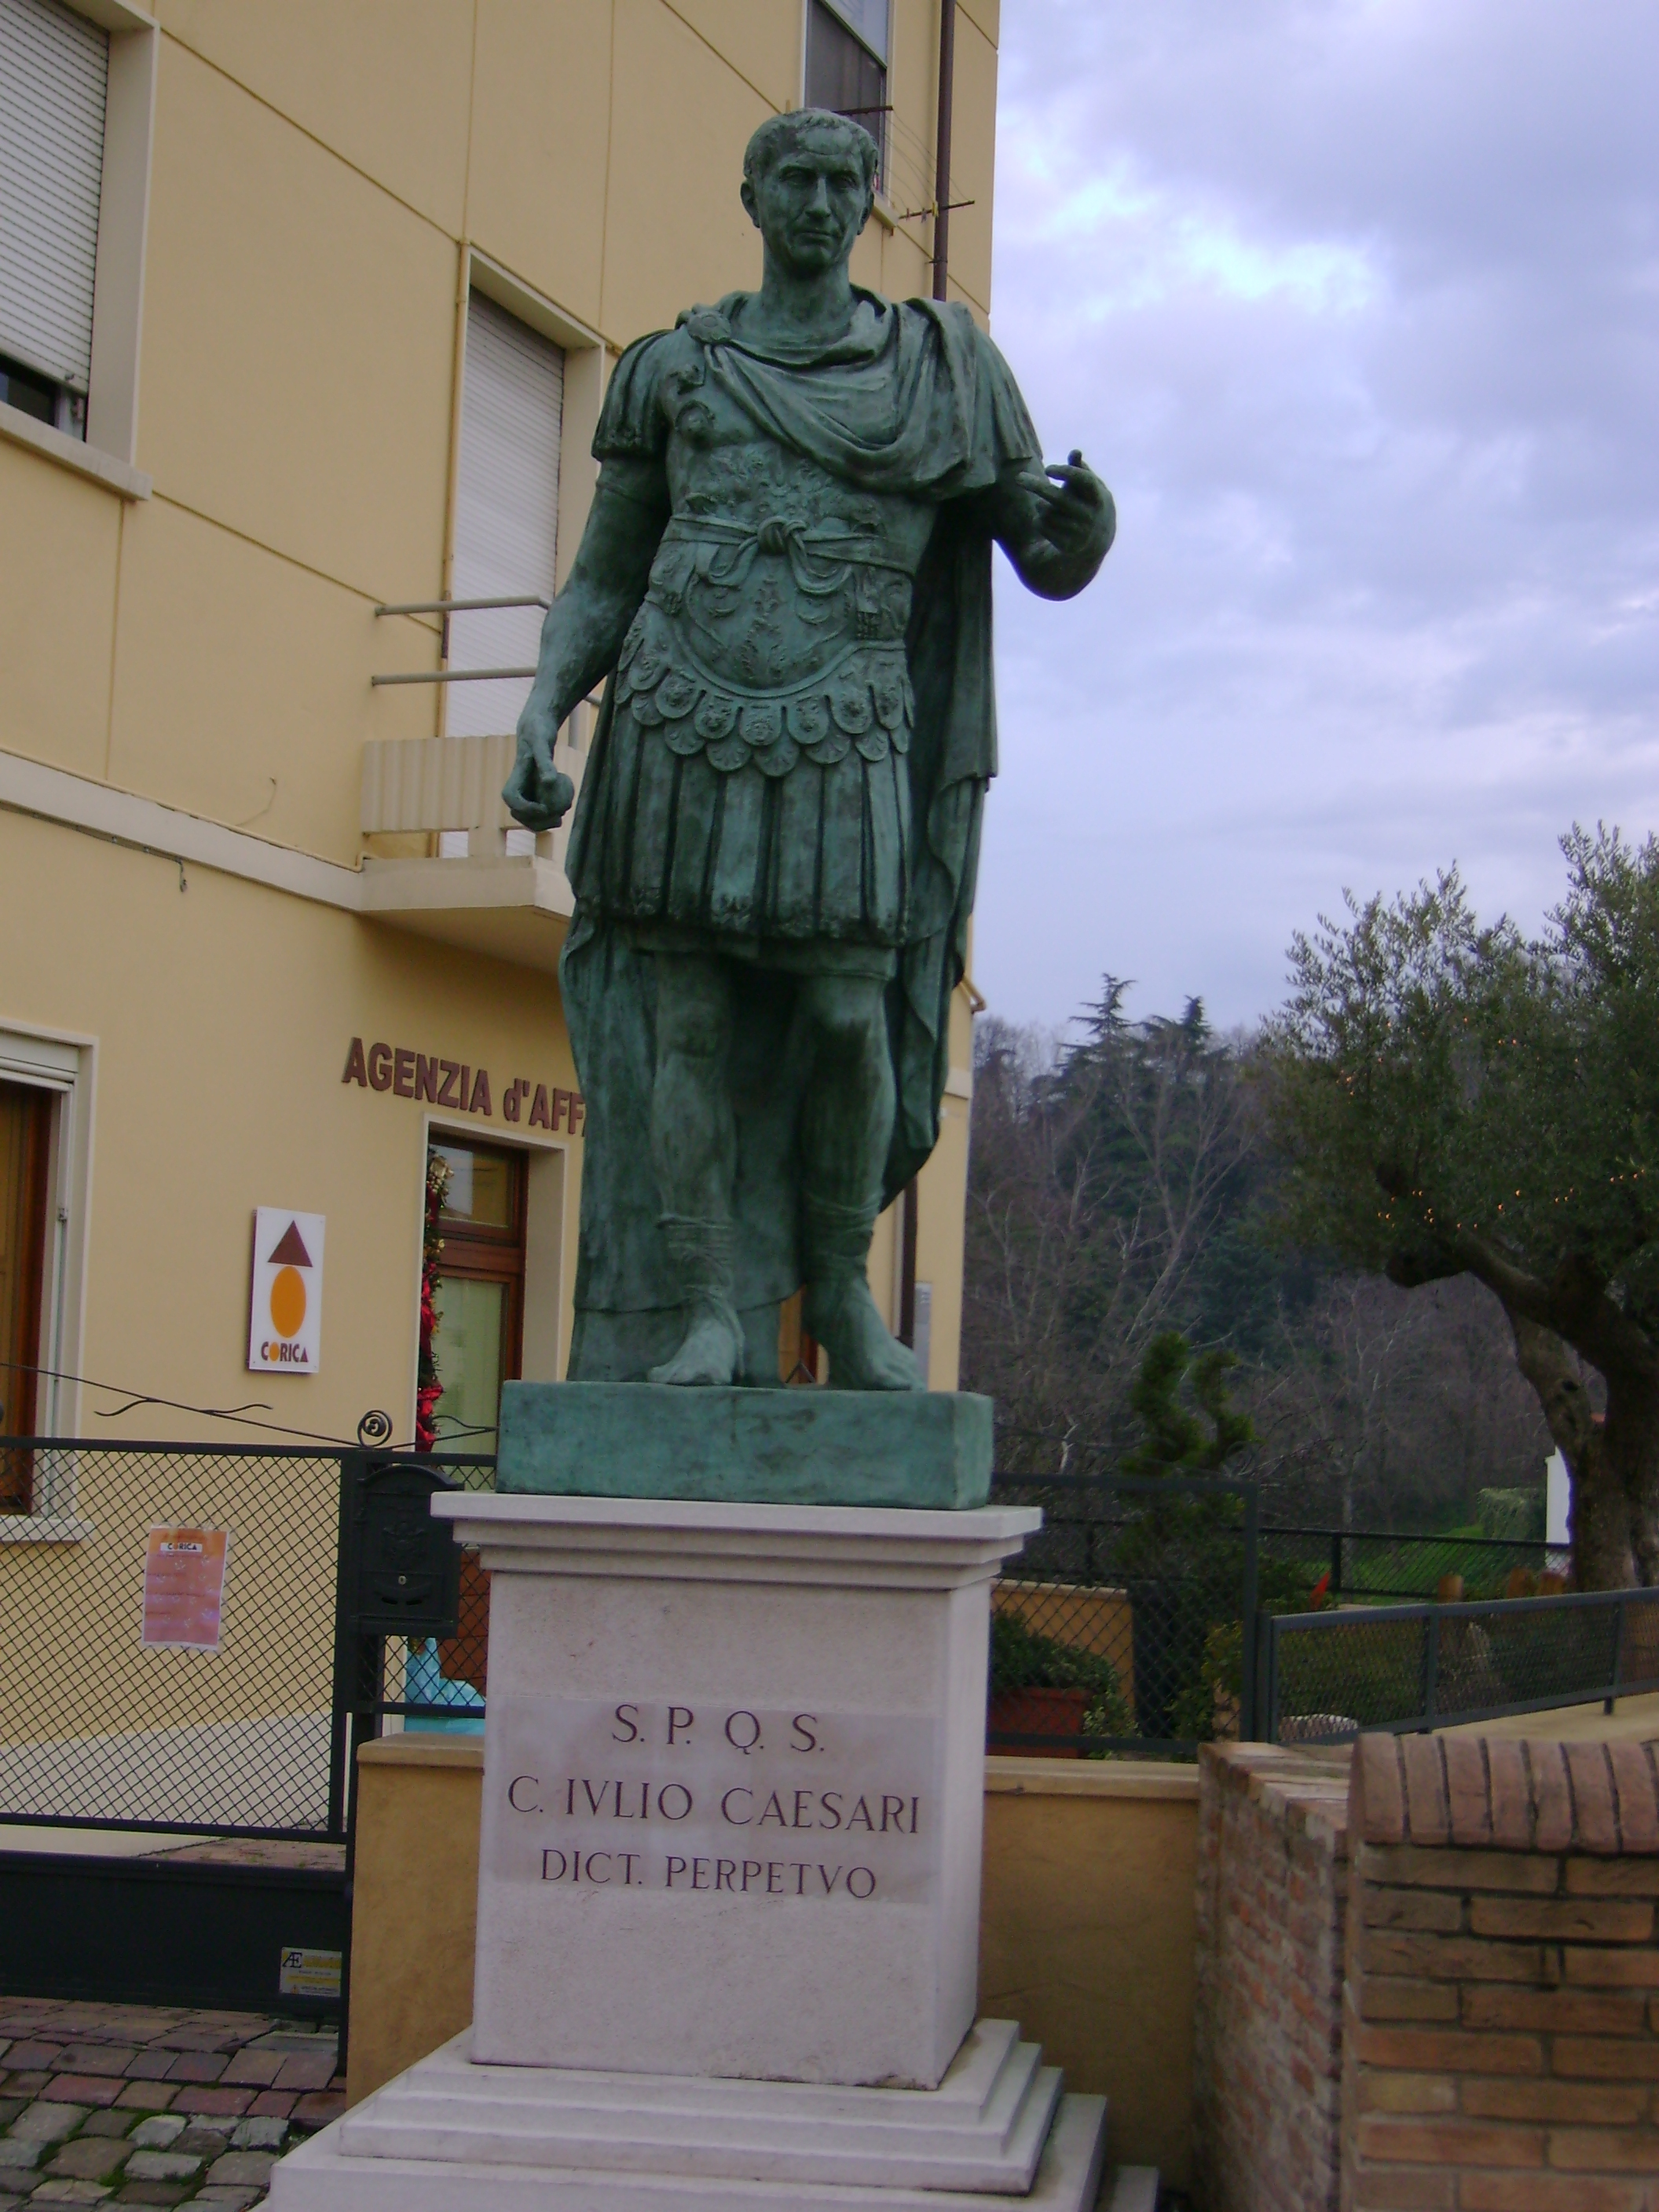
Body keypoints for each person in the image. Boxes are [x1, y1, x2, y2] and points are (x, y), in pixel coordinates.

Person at [504, 108, 1113, 1389]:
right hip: (679, 717)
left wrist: (1086, 535)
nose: (822, 203)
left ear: (868, 199)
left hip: (850, 725)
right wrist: (542, 705)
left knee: (848, 1016)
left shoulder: (938, 373)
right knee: (688, 1024)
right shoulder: (675, 369)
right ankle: (704, 1311)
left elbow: (1040, 550)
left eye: (845, 181)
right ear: (753, 195)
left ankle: (839, 1289)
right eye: (797, 179)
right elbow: (605, 575)